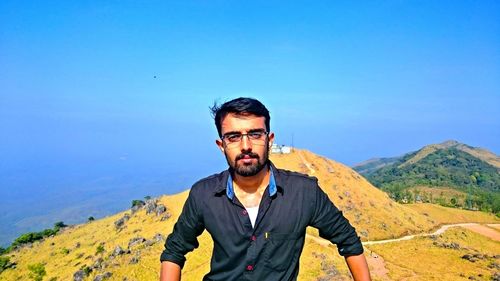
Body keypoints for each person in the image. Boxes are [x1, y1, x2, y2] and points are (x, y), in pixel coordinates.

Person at [160, 97, 371, 281]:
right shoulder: (203, 194)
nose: (245, 146)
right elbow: (174, 252)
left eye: (255, 134)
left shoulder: (304, 192)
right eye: (233, 137)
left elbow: (348, 241)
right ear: (221, 145)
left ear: (269, 140)